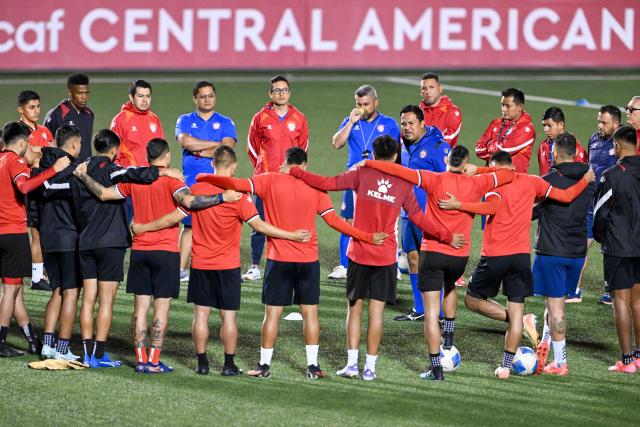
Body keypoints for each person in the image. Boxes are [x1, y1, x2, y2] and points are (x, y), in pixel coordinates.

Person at [197, 147, 386, 379]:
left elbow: (236, 185)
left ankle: (264, 366)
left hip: (278, 259)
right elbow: (335, 222)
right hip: (308, 260)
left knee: (272, 314)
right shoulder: (315, 186)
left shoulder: (268, 180)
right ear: (305, 165)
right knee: (310, 314)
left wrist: (202, 177)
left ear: (284, 162)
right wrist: (366, 237)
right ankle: (312, 367)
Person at [287, 136, 464, 381]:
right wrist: (446, 236)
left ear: (373, 154)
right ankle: (370, 368)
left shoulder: (360, 174)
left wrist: (296, 171)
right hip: (385, 257)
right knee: (377, 314)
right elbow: (419, 219)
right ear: (394, 156)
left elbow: (326, 182)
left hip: (359, 254)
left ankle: (351, 365)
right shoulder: (403, 183)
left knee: (355, 310)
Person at [131, 146, 310, 376]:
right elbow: (259, 226)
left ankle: (202, 363)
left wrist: (143, 228)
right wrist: (291, 235)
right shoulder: (238, 195)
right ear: (234, 166)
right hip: (228, 265)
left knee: (201, 315)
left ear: (212, 165)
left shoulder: (196, 190)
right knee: (228, 316)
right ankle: (228, 365)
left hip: (201, 263)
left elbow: (178, 217)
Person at [73, 138, 231, 373]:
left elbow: (104, 194)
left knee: (140, 309)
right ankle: (154, 361)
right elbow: (189, 202)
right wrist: (221, 198)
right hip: (166, 253)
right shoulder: (172, 181)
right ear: (166, 157)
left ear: (148, 159)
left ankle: (140, 360)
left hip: (140, 252)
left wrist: (84, 176)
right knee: (161, 309)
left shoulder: (134, 181)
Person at [364, 145, 514, 380]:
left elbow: (399, 172)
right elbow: (509, 174)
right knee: (451, 285)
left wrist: (369, 163)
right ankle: (449, 337)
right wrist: (480, 171)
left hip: (433, 253)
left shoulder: (433, 179)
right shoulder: (476, 183)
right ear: (465, 164)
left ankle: (436, 369)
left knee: (432, 314)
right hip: (459, 256)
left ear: (447, 160)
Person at [440, 150, 593, 379]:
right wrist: (585, 180)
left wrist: (458, 204)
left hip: (495, 256)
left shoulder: (493, 184)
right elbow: (566, 196)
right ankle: (505, 367)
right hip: (521, 258)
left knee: (472, 300)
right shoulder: (532, 181)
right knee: (516, 308)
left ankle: (518, 321)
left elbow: (491, 207)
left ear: (494, 167)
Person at [71, 129, 182, 368]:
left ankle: (91, 354)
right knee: (115, 303)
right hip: (126, 245)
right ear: (114, 150)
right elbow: (182, 207)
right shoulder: (122, 173)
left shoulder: (83, 169)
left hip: (94, 243)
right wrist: (163, 172)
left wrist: (83, 177)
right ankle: (110, 355)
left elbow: (100, 193)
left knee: (89, 300)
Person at [0, 122, 69, 357]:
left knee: (14, 289)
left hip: (1, 233)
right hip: (12, 234)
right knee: (10, 292)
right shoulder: (15, 161)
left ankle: (31, 340)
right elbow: (25, 186)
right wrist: (54, 170)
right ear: (21, 143)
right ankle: (0, 343)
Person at [529, 133, 594, 376]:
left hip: (552, 252)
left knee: (555, 307)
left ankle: (560, 362)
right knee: (556, 304)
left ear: (554, 153)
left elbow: (532, 211)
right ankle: (547, 340)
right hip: (577, 253)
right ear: (576, 152)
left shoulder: (547, 179)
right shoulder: (589, 178)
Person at [328, 85, 400, 280]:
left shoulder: (389, 123)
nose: (362, 108)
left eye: (366, 104)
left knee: (384, 221)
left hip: (379, 179)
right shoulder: (351, 121)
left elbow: (396, 152)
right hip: (354, 179)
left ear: (375, 102)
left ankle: (390, 263)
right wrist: (350, 123)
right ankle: (344, 265)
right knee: (349, 221)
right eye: (358, 104)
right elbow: (336, 143)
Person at [244, 75, 309, 282]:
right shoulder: (260, 117)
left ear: (289, 93)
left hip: (290, 179)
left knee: (290, 223)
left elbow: (303, 148)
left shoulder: (299, 118)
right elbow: (252, 147)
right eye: (277, 90)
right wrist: (262, 169)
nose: (281, 94)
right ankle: (255, 266)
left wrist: (295, 172)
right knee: (259, 223)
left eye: (285, 90)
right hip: (266, 180)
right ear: (270, 94)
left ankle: (290, 262)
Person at [391, 105, 450, 322]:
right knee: (413, 258)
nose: (406, 128)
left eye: (411, 123)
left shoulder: (437, 146)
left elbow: (448, 179)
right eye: (403, 123)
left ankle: (440, 313)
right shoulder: (403, 145)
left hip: (429, 214)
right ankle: (420, 308)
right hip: (408, 212)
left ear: (422, 123)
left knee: (432, 262)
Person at [175, 81, 237, 282]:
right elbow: (186, 142)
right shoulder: (184, 120)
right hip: (192, 182)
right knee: (190, 226)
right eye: (203, 96)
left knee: (219, 225)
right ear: (195, 99)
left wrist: (199, 149)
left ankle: (217, 265)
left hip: (219, 180)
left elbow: (227, 150)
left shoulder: (226, 122)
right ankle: (180, 269)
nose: (207, 99)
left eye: (211, 95)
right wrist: (214, 148)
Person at [34, 124, 84, 361]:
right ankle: (62, 349)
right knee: (71, 292)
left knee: (57, 290)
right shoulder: (72, 170)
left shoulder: (44, 167)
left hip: (47, 239)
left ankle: (47, 344)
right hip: (68, 239)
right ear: (74, 145)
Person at [593, 126, 640, 374]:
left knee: (620, 302)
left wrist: (602, 238)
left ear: (619, 147)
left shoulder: (612, 174)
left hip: (619, 247)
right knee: (639, 301)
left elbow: (600, 212)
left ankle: (627, 360)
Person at [579, 105, 621, 305]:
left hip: (611, 205)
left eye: (604, 122)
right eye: (599, 121)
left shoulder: (622, 144)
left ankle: (610, 290)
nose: (600, 126)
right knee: (580, 246)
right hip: (590, 204)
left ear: (616, 123)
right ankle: (574, 289)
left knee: (610, 248)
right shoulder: (594, 139)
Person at [17, 90, 55, 290]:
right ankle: (36, 277)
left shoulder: (44, 131)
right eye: (31, 107)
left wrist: (40, 149)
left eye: (38, 106)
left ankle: (46, 271)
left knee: (46, 231)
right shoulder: (17, 131)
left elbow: (55, 152)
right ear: (20, 110)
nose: (36, 110)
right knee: (37, 234)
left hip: (46, 186)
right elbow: (29, 158)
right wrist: (43, 149)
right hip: (30, 188)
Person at [475, 88, 535, 173]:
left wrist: (489, 144)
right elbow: (479, 149)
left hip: (514, 180)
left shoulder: (526, 129)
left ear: (520, 107)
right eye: (502, 105)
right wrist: (496, 150)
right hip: (493, 177)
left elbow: (503, 152)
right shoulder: (496, 123)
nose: (504, 109)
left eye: (508, 106)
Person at [111, 80, 164, 167]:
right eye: (140, 96)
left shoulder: (154, 119)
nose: (145, 100)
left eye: (148, 96)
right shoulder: (120, 120)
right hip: (129, 177)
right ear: (131, 97)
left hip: (151, 176)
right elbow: (113, 154)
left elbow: (162, 151)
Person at [44, 73, 93, 161]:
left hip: (85, 169)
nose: (84, 97)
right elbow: (45, 143)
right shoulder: (57, 114)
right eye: (80, 93)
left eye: (86, 93)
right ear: (70, 92)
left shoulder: (89, 114)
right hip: (66, 170)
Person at [537, 107, 587, 176]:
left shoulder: (576, 148)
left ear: (561, 125)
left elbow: (582, 178)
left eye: (549, 125)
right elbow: (544, 177)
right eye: (544, 125)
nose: (546, 130)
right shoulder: (543, 146)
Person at [419, 72, 463, 147]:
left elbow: (447, 141)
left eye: (431, 87)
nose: (427, 91)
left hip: (443, 158)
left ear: (440, 89)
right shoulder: (416, 112)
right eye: (424, 88)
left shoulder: (453, 112)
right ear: (421, 92)